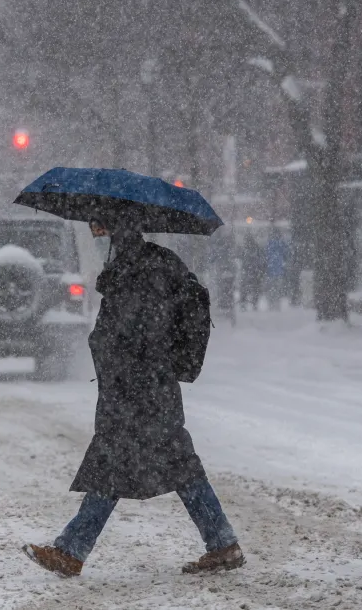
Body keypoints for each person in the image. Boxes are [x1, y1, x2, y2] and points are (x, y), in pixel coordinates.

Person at [22, 214, 244, 578]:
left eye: (99, 229)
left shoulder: (137, 272)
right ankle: (221, 543)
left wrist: (122, 365)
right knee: (173, 464)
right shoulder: (147, 264)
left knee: (116, 462)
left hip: (139, 389)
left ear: (117, 230)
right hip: (150, 388)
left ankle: (71, 551)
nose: (95, 236)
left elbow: (136, 335)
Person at [239, 233, 265, 311]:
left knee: (244, 289)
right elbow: (260, 260)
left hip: (247, 271)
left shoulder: (245, 249)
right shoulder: (256, 248)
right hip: (254, 271)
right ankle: (254, 304)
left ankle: (244, 304)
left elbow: (242, 258)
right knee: (255, 289)